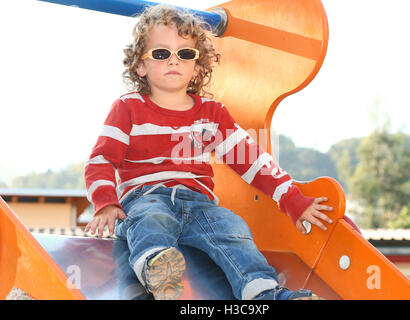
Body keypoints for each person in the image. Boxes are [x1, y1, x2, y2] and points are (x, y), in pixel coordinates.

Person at [84, 4, 333, 300]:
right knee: (151, 220)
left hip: (200, 204)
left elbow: (250, 159)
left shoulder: (211, 114)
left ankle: (264, 293)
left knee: (233, 230)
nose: (173, 61)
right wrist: (106, 202)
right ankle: (158, 268)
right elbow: (101, 159)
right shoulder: (128, 108)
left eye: (185, 54)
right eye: (161, 53)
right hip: (145, 197)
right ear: (140, 65)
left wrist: (292, 199)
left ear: (198, 66)